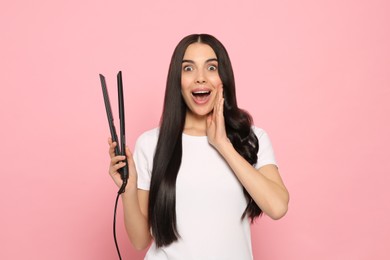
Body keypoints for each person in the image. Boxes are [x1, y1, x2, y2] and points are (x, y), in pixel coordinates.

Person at [107, 34, 289, 260]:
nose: (200, 78)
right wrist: (128, 188)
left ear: (224, 77)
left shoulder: (251, 138)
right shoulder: (150, 143)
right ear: (177, 80)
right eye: (188, 69)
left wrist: (223, 144)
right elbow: (139, 240)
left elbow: (277, 206)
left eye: (211, 67)